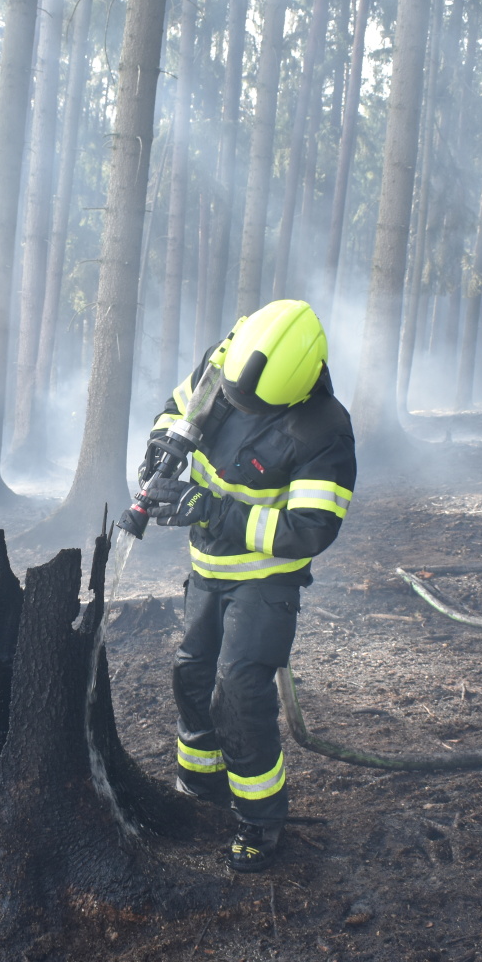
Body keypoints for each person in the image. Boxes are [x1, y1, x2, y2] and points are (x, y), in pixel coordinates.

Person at [137, 299, 356, 872]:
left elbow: (309, 530)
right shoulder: (227, 360)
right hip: (207, 570)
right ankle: (199, 786)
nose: (240, 406)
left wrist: (210, 510)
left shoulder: (324, 430)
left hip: (264, 586)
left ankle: (259, 820)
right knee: (190, 673)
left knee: (239, 696)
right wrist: (161, 448)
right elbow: (179, 406)